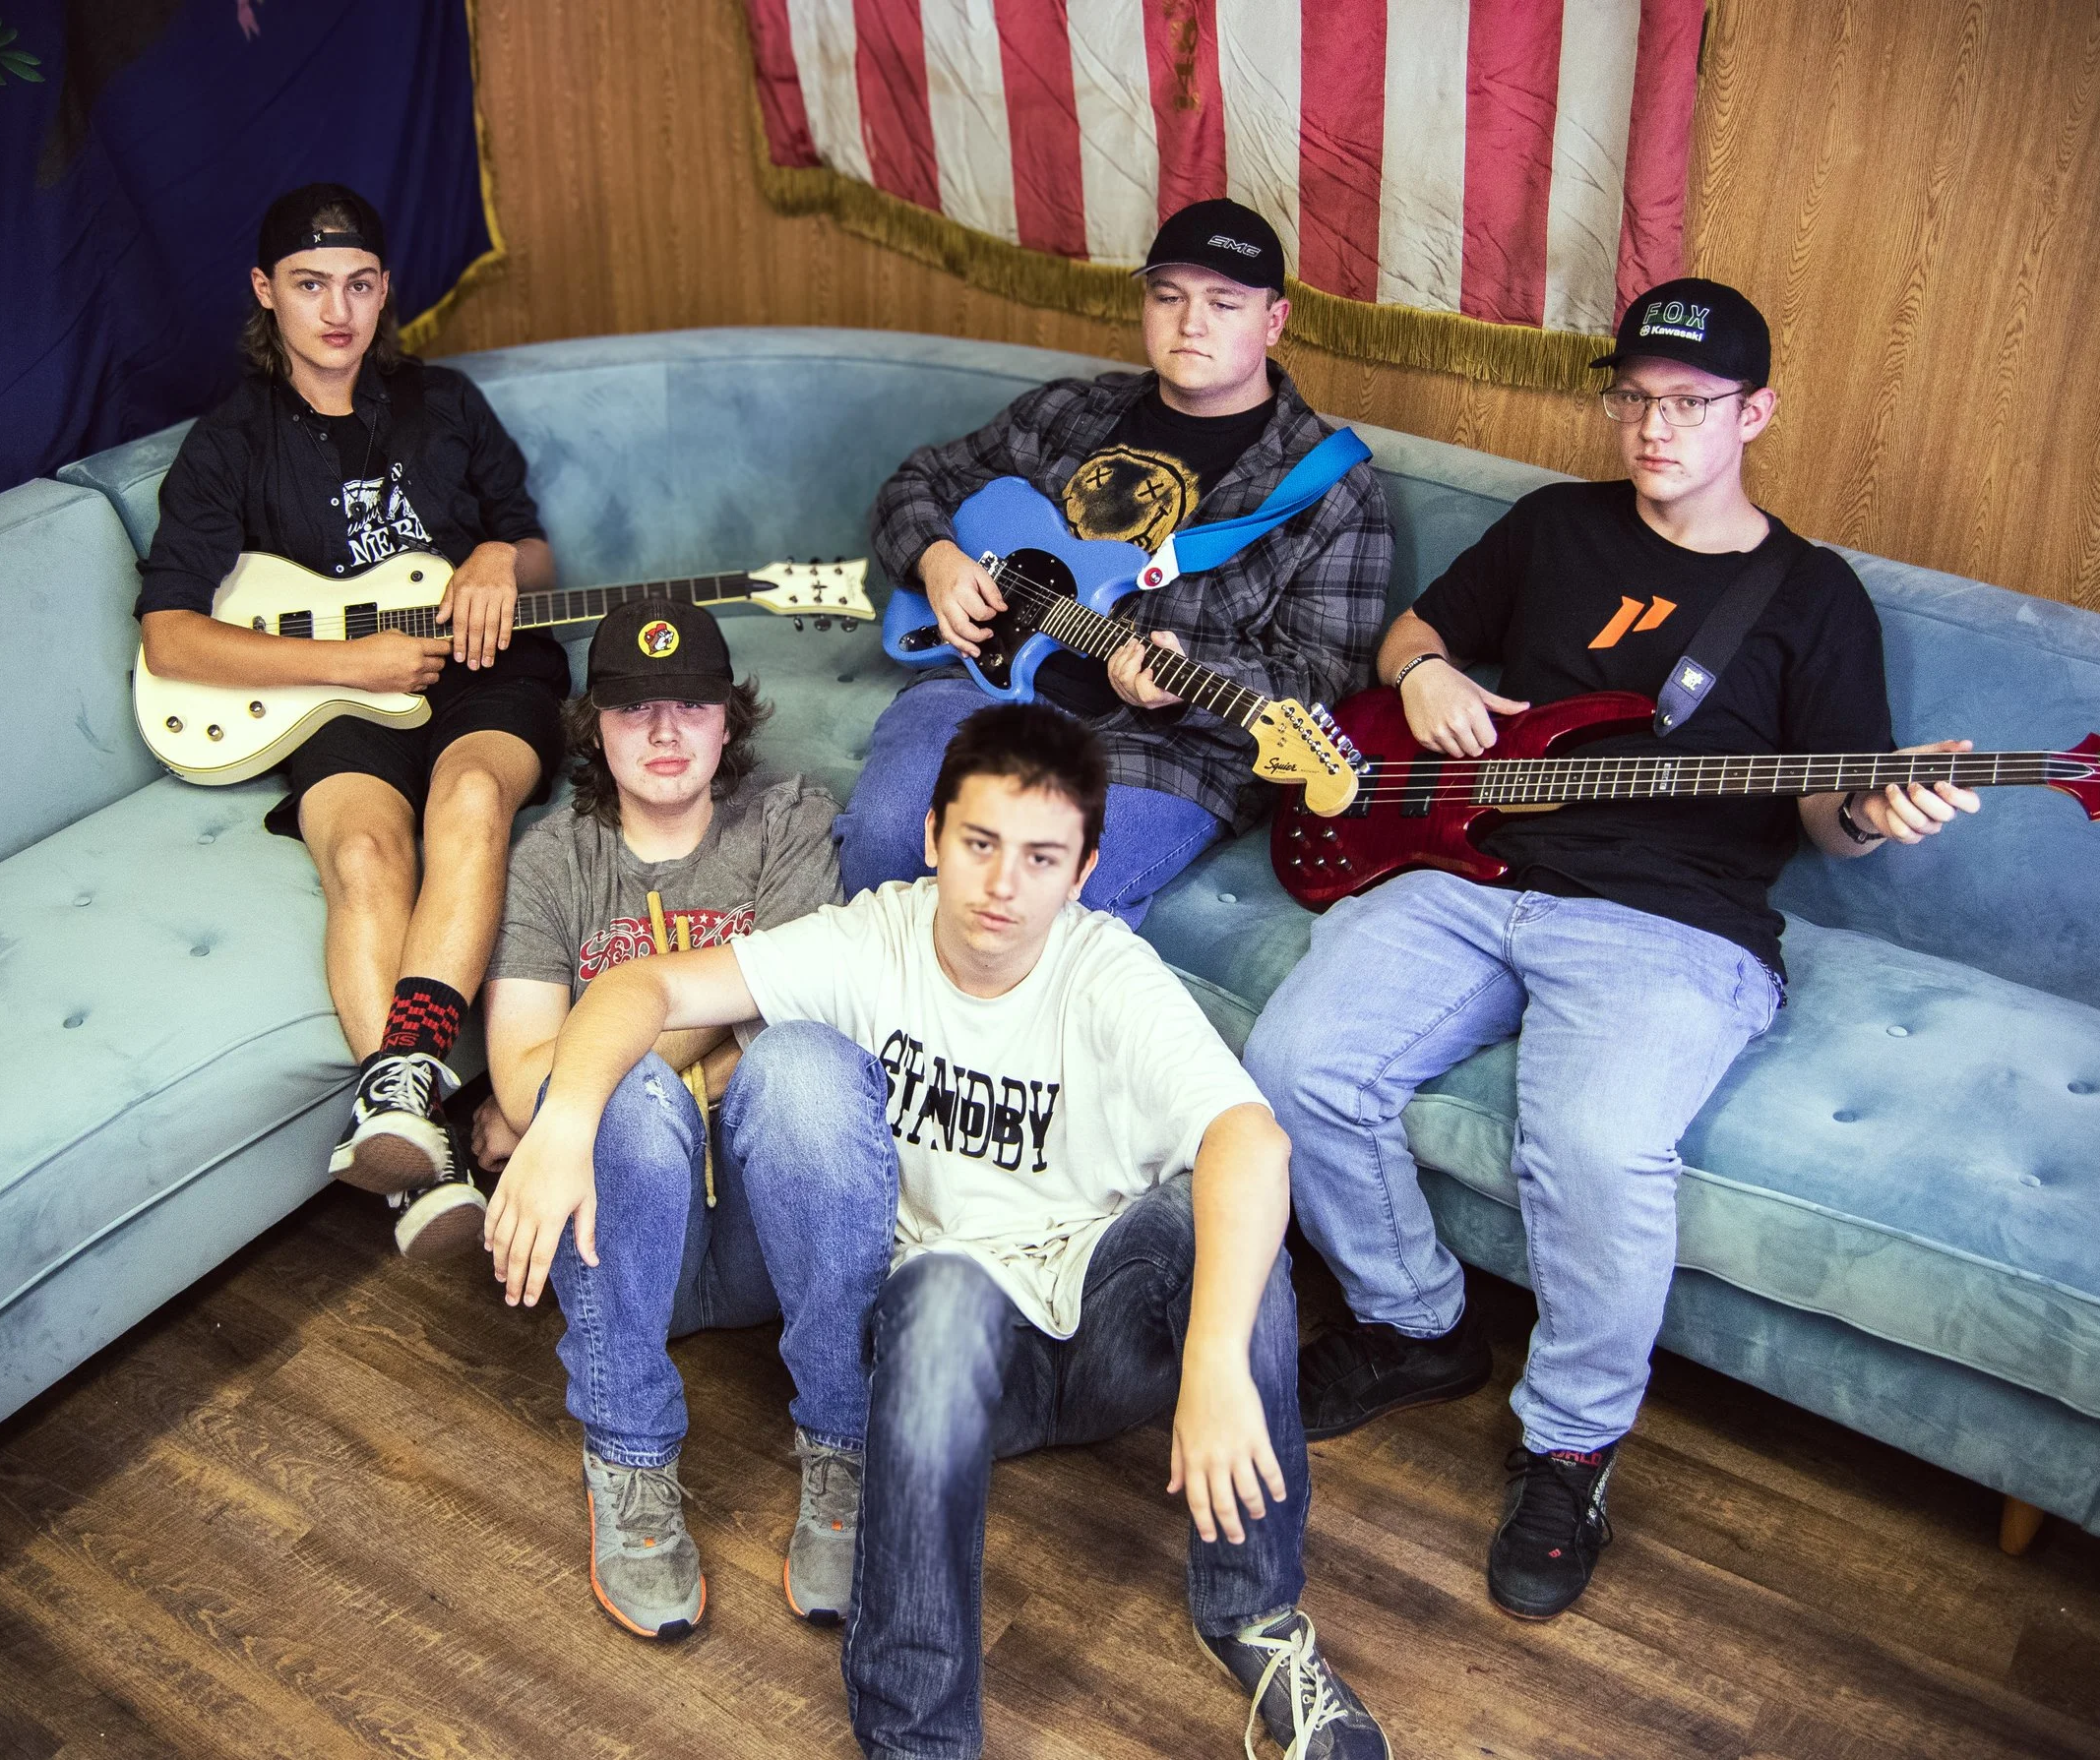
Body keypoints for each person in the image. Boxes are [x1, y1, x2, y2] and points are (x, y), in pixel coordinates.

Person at [1244, 278, 1982, 1621]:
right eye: (1634, 397)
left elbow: (1832, 817)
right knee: (1295, 1059)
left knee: (1588, 1144)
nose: (1654, 428)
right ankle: (1417, 1324)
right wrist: (1423, 676)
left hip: (1673, 922)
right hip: (1475, 874)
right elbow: (1417, 635)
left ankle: (1571, 1444)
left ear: (1755, 412)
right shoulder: (1555, 525)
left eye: (1691, 405)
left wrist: (1882, 805)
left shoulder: (1813, 599)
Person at [490, 703, 1390, 1758]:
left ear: (1084, 868)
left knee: (1220, 1220)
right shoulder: (873, 939)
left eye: (1041, 856)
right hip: (943, 1365)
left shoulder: (1105, 973)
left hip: (1106, 1334)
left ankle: (1256, 1620)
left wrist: (1213, 1365)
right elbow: (645, 985)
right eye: (979, 844)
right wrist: (561, 1122)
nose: (1004, 885)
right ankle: (917, 1738)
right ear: (930, 839)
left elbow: (1250, 1138)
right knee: (940, 1285)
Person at [135, 182, 571, 1259]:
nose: (338, 310)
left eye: (361, 285)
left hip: (481, 671)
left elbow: (533, 550)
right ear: (264, 292)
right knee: (369, 852)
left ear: (385, 293)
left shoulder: (446, 403)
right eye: (310, 284)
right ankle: (433, 1141)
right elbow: (169, 637)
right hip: (333, 692)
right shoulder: (230, 443)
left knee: (469, 800)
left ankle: (401, 1095)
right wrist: (349, 661)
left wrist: (490, 557)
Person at [841, 198, 1392, 925]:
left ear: (1275, 320)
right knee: (885, 836)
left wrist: (1185, 676)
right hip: (984, 686)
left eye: (1223, 303)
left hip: (1166, 748)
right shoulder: (1070, 411)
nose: (1190, 323)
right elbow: (918, 483)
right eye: (1169, 297)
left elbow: (1323, 680)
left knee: (1053, 903)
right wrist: (936, 559)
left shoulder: (1332, 489)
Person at [472, 600, 844, 1638]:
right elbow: (518, 1090)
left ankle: (845, 1447)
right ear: (596, 725)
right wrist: (697, 1037)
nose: (668, 732)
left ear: (731, 718)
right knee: (621, 1099)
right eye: (638, 710)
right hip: (637, 1246)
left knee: (807, 1064)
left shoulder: (786, 819)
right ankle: (628, 1462)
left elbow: (799, 1015)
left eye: (693, 704)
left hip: (781, 1230)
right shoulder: (555, 861)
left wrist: (598, 1050)